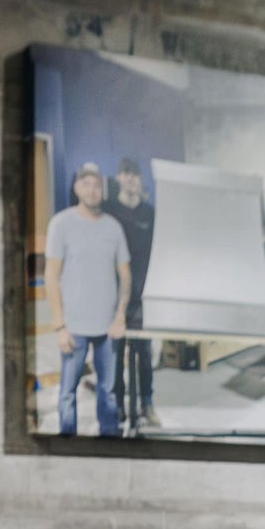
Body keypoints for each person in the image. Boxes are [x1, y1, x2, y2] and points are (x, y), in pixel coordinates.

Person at [44, 161, 129, 436]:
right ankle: (67, 446)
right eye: (86, 184)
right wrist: (59, 326)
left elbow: (125, 275)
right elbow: (51, 276)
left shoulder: (113, 228)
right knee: (68, 392)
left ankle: (110, 443)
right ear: (76, 188)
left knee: (108, 391)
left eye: (97, 185)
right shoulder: (61, 224)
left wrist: (120, 316)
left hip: (107, 328)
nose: (92, 190)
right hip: (73, 328)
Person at [111, 156, 159, 431]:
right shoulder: (109, 210)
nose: (130, 179)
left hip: (142, 296)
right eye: (125, 174)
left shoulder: (149, 213)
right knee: (116, 354)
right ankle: (117, 404)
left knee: (143, 353)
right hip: (114, 296)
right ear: (118, 178)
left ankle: (147, 405)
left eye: (134, 174)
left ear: (140, 180)